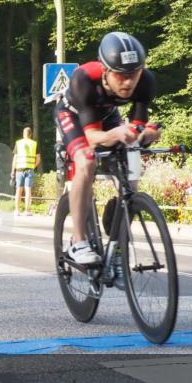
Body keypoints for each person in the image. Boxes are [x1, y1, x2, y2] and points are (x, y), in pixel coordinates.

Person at [53, 32, 161, 285]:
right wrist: (115, 133)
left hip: (107, 116)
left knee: (132, 178)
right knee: (87, 160)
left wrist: (145, 134)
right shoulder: (85, 79)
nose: (128, 82)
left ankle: (117, 243)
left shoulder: (145, 82)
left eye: (133, 74)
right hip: (74, 116)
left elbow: (135, 129)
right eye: (120, 75)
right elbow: (92, 137)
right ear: (104, 70)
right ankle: (78, 241)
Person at [10, 126, 41, 216]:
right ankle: (27, 211)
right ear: (31, 134)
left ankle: (17, 211)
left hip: (19, 170)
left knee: (18, 191)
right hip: (30, 169)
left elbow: (15, 159)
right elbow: (38, 159)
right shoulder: (34, 144)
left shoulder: (18, 143)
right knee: (28, 191)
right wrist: (33, 166)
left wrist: (13, 171)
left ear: (23, 134)